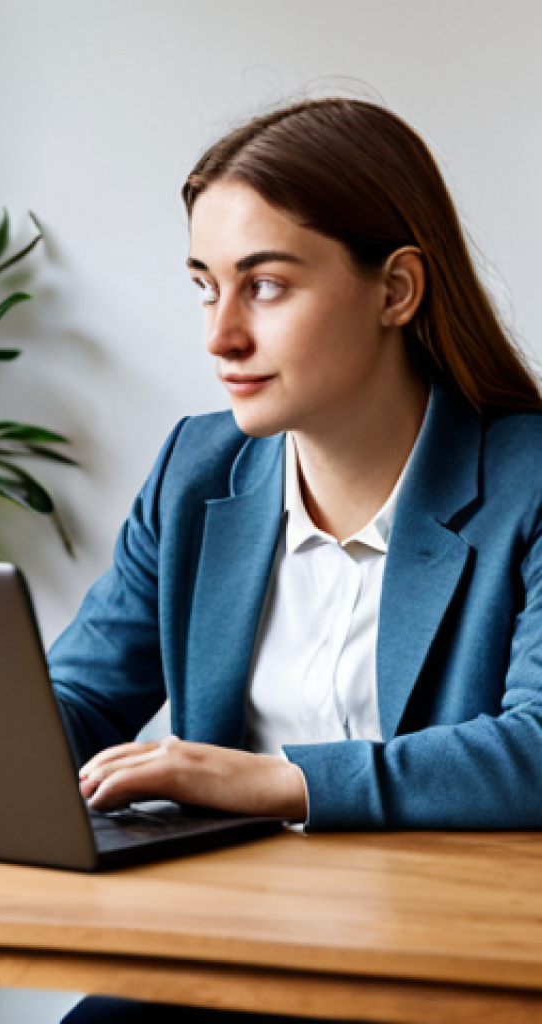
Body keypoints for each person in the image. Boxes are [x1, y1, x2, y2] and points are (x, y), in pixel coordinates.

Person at [49, 97, 542, 1023]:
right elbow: (76, 699)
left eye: (265, 285)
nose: (220, 336)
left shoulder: (530, 483)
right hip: (232, 946)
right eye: (206, 285)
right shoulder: (197, 473)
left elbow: (539, 746)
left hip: (456, 966)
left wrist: (279, 782)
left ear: (396, 290)